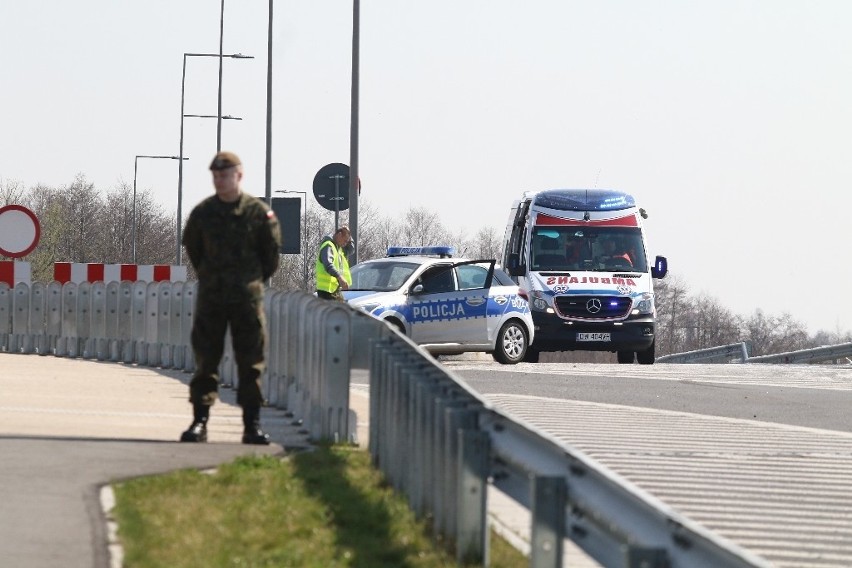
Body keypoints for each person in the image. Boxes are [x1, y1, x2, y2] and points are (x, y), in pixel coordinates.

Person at [180, 151, 282, 445]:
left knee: (251, 362)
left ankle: (252, 425)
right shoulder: (203, 214)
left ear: (239, 176)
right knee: (206, 360)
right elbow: (195, 252)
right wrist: (214, 278)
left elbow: (270, 259)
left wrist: (248, 282)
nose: (219, 181)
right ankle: (200, 421)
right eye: (215, 176)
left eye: (224, 175)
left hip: (247, 300)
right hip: (212, 298)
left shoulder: (259, 214)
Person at [315, 226, 353, 300]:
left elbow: (351, 249)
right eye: (345, 241)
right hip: (326, 292)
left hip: (334, 290)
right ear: (339, 235)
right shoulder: (328, 246)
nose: (345, 244)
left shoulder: (338, 249)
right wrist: (340, 277)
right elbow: (328, 265)